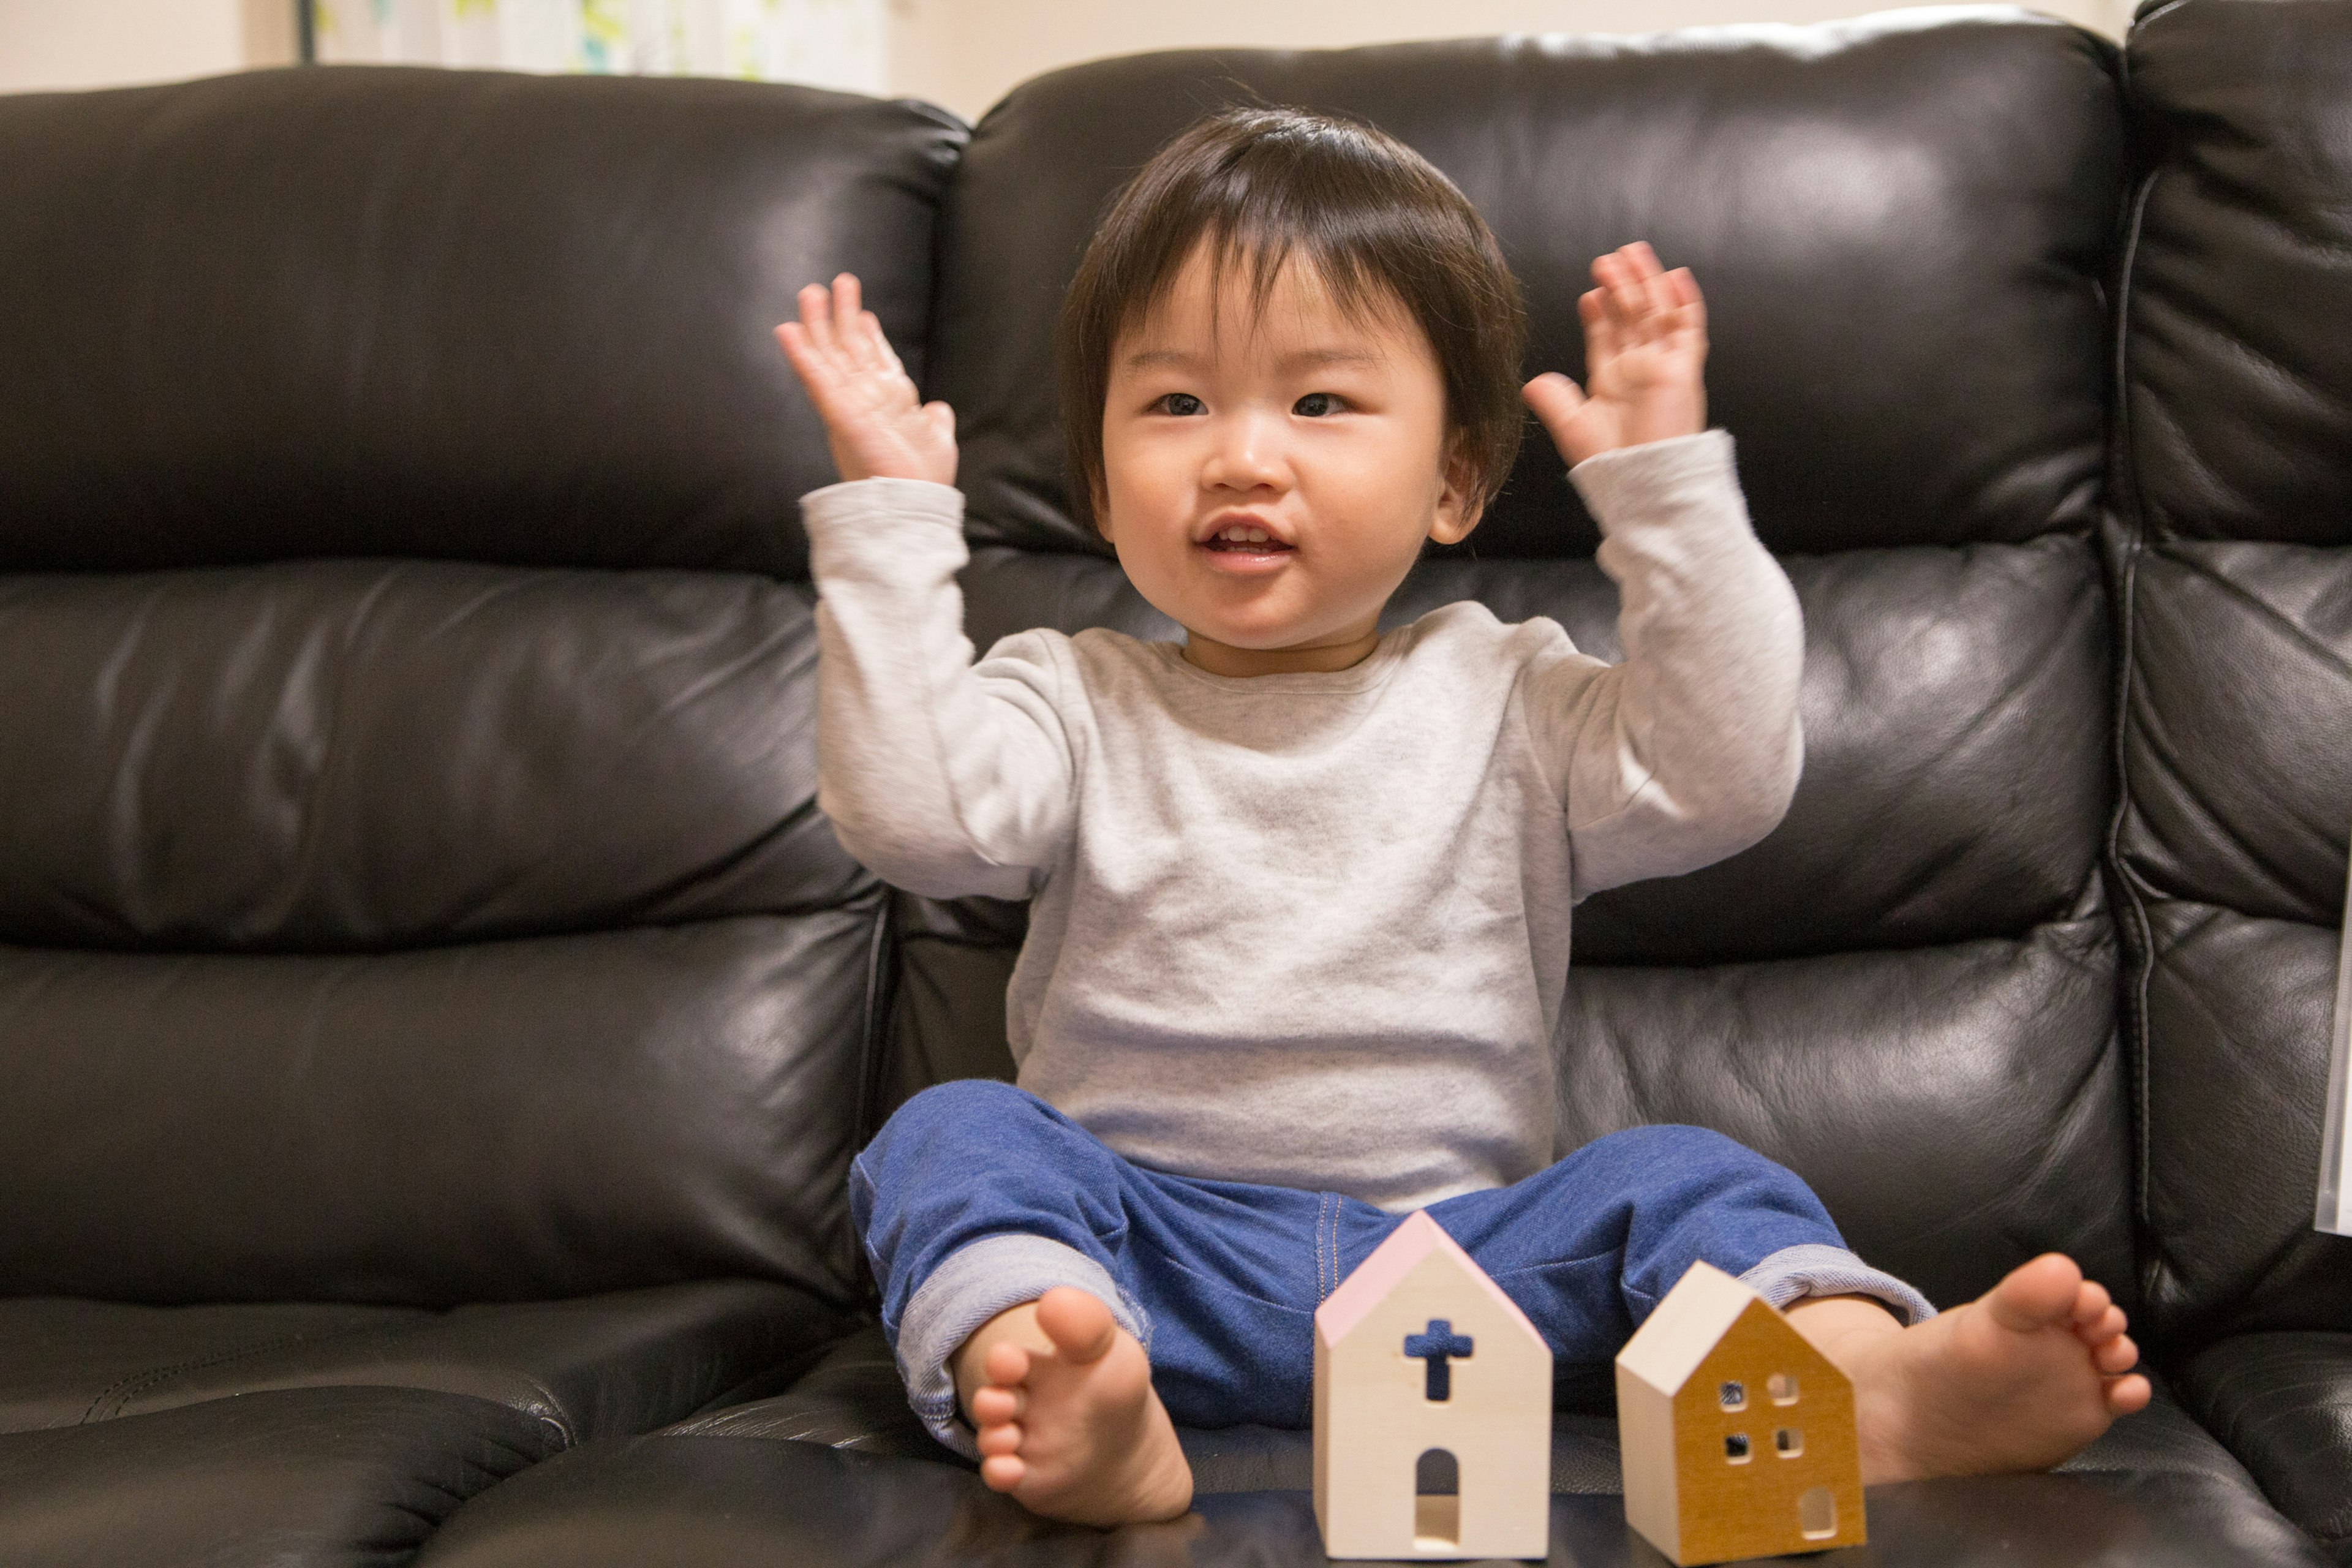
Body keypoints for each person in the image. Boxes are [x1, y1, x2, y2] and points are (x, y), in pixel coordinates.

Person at [775, 105, 2149, 1529]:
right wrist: (887, 524)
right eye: (1175, 404)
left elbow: (1727, 774)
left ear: (1453, 481)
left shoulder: (1511, 693)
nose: (1242, 456)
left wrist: (1665, 497)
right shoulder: (1066, 696)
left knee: (1681, 1173)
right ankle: (1066, 1388)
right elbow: (916, 822)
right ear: (1102, 485)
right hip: (1139, 1248)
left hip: (1459, 1276)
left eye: (1320, 403)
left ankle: (1860, 1383)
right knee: (952, 1134)